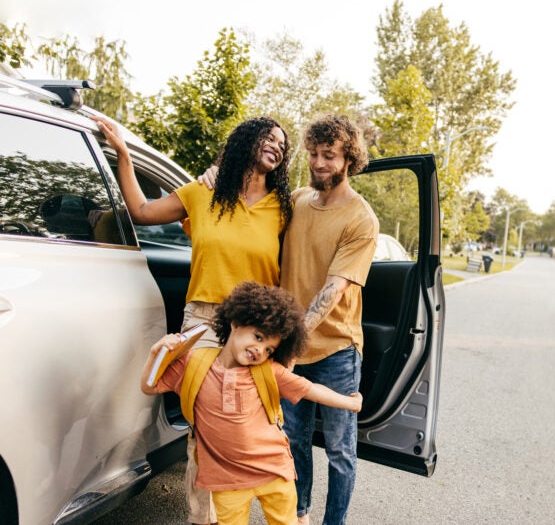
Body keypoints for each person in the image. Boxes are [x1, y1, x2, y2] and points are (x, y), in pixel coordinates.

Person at [98, 116, 293, 525]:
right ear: (245, 141)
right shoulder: (204, 192)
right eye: (268, 137)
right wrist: (124, 155)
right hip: (204, 321)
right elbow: (140, 210)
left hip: (256, 330)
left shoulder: (284, 209)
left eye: (282, 143)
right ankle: (201, 519)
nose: (276, 145)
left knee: (255, 427)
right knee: (205, 433)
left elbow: (294, 270)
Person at [199, 113, 379, 524]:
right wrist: (216, 172)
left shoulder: (361, 219)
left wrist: (291, 343)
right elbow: (248, 204)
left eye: (329, 155)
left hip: (335, 349)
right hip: (287, 344)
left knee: (339, 449)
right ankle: (298, 515)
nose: (318, 163)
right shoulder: (297, 200)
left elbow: (333, 291)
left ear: (349, 158)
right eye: (313, 153)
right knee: (292, 440)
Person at [140, 281, 363, 525]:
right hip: (226, 482)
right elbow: (150, 386)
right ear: (235, 322)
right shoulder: (194, 363)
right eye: (258, 337)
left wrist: (351, 404)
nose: (260, 351)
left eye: (269, 349)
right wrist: (156, 353)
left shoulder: (269, 371)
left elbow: (311, 389)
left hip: (274, 472)